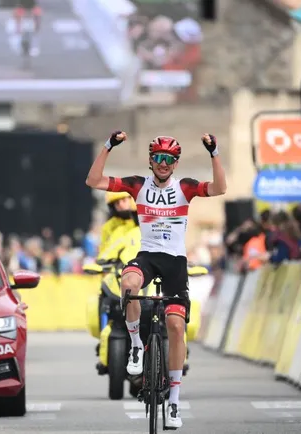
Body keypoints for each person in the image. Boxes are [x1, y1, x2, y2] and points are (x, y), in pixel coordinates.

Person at [85, 130, 227, 428]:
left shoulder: (185, 188)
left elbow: (220, 188)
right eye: (159, 158)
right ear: (151, 160)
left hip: (175, 262)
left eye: (169, 159)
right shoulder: (137, 185)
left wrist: (214, 153)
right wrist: (108, 145)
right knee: (128, 284)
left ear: (175, 164)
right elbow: (94, 181)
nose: (163, 164)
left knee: (176, 327)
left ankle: (174, 403)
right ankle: (137, 344)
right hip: (148, 256)